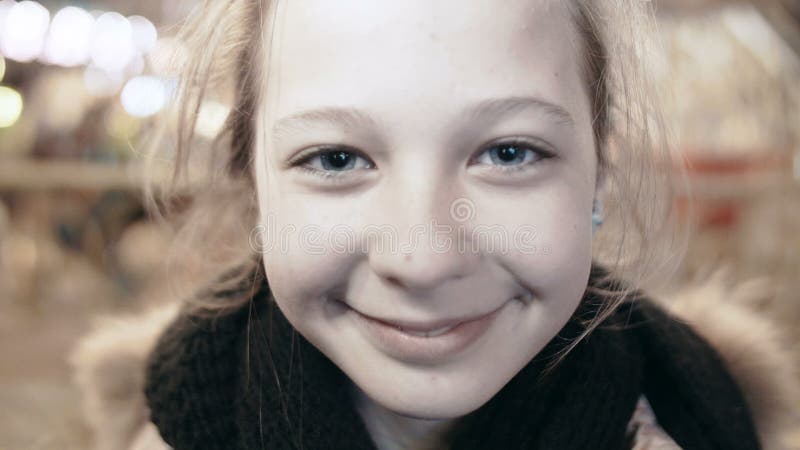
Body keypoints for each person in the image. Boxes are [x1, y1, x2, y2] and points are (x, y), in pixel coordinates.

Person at [70, 1, 799, 449]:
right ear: (254, 191)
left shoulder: (711, 422)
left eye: (509, 153)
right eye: (335, 158)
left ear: (597, 176)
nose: (422, 259)